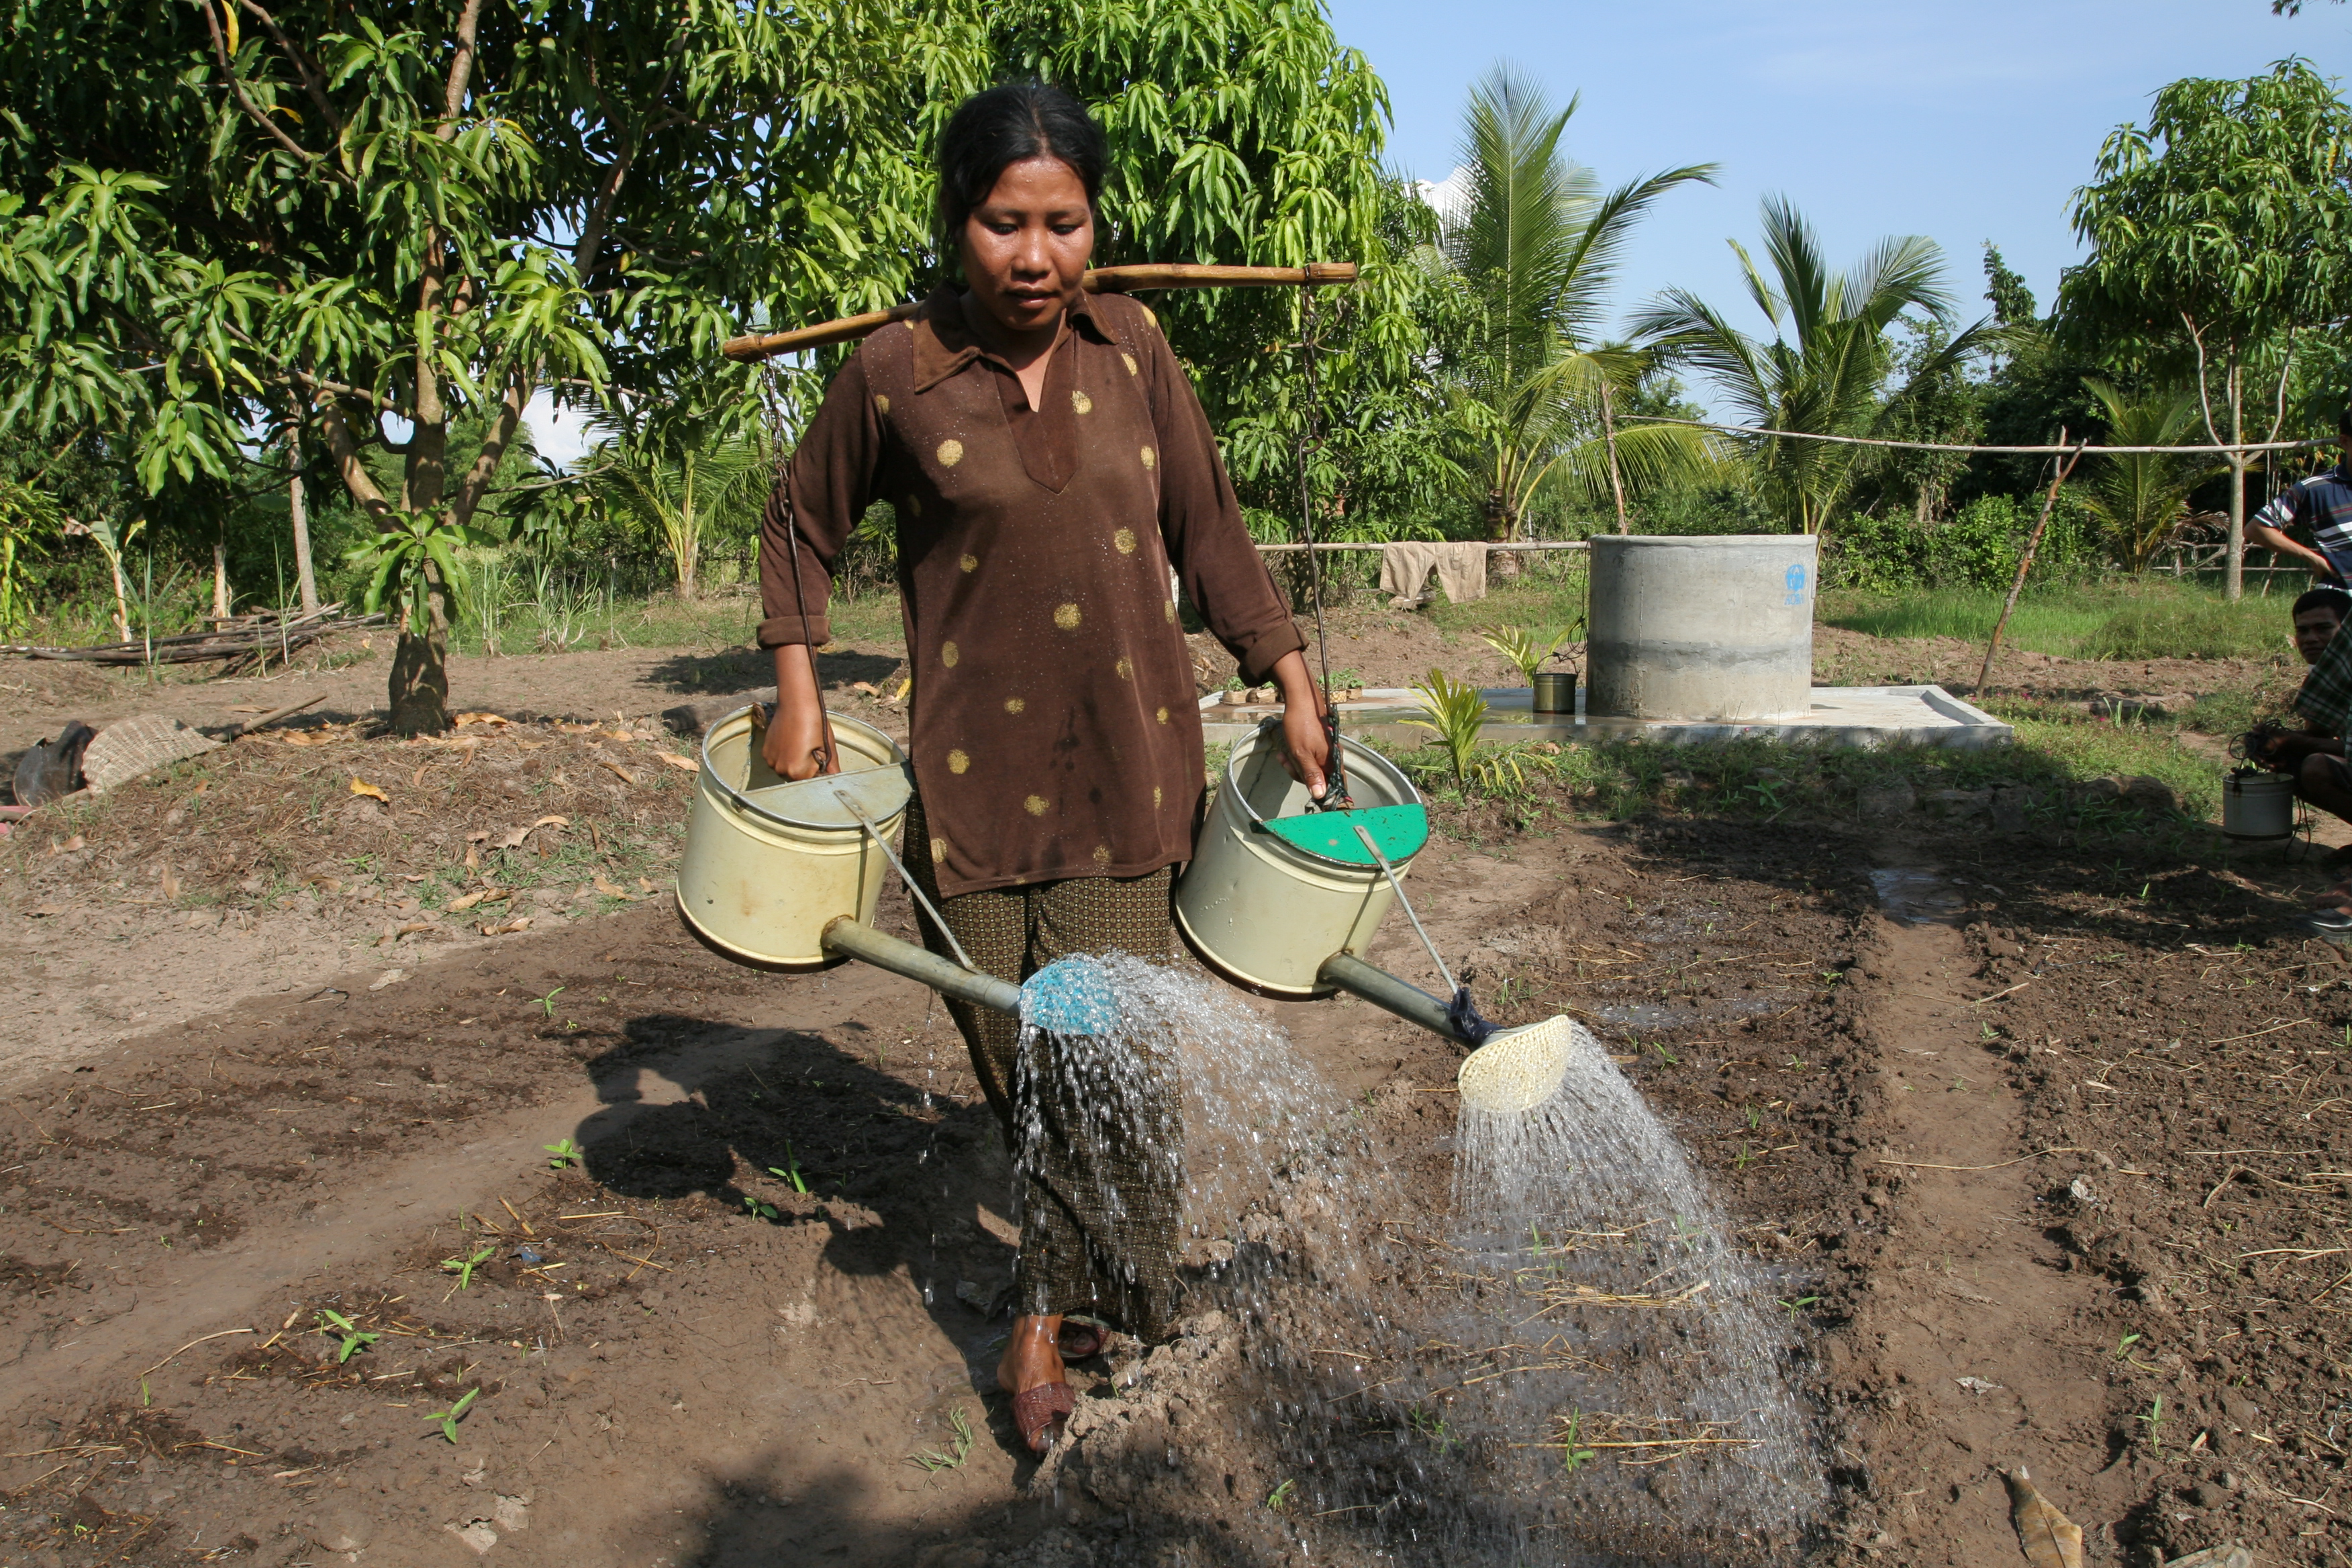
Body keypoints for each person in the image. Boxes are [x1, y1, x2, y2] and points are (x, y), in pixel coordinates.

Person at [752, 81, 1331, 1455]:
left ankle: (1043, 1310)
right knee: (1021, 1053)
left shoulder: (1134, 349)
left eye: (1062, 223)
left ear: (1095, 227)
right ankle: (1114, 1287)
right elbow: (797, 525)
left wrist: (1290, 674)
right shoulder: (894, 373)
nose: (1034, 256)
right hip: (975, 779)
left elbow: (1211, 525)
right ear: (959, 226)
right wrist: (796, 688)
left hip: (1132, 767)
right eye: (1003, 224)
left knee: (1106, 1054)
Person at [2265, 585, 2352, 924]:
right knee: (2292, 764)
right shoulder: (2326, 677)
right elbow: (2317, 736)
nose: (2311, 639)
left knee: (2314, 763)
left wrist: (2293, 742)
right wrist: (2279, 743)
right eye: (2303, 631)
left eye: (2323, 629)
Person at [2247, 409, 2352, 584]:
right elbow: (2257, 528)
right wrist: (2312, 557)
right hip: (2342, 598)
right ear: (2345, 442)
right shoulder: (2316, 489)